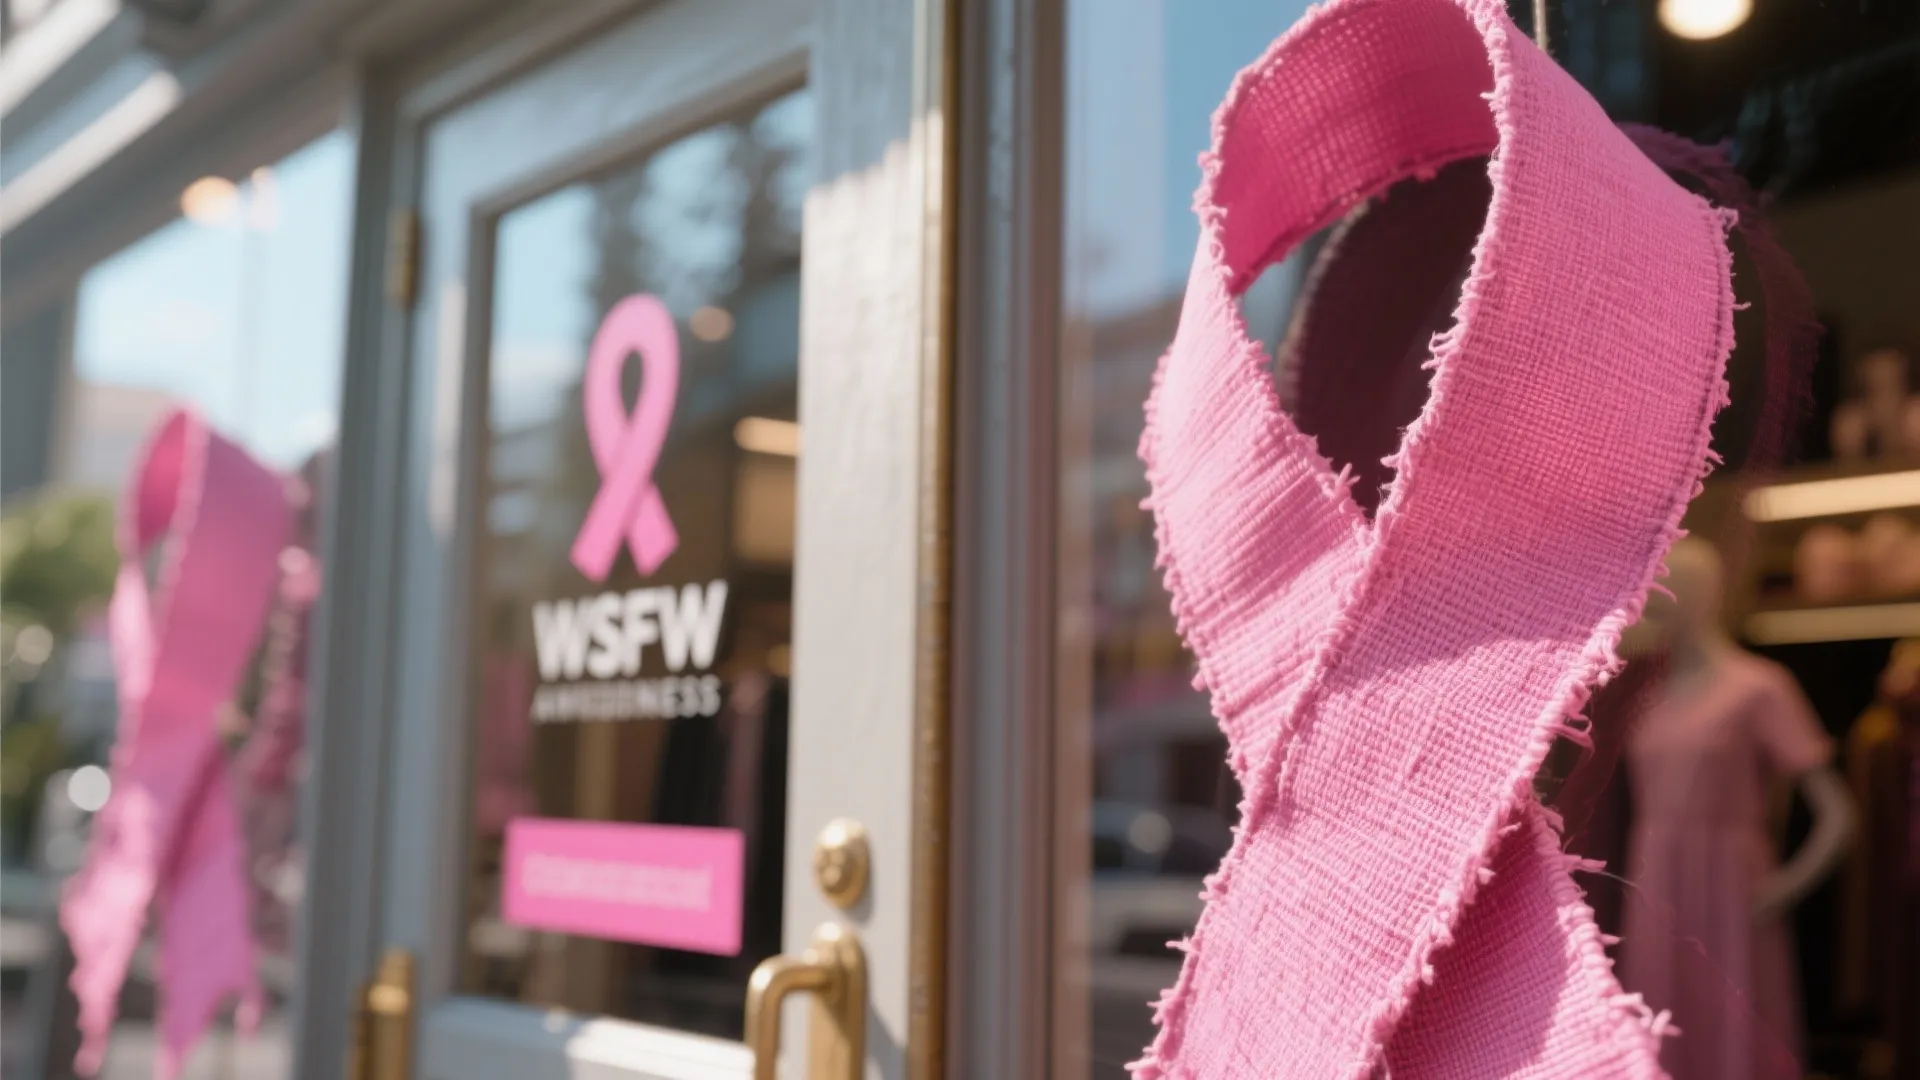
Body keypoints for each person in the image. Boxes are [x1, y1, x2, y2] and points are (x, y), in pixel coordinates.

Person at [1623, 537, 1857, 1080]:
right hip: (1655, 883)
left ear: (1702, 598)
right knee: (1659, 1020)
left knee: (1737, 1026)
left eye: (1663, 597)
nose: (1651, 609)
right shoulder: (1645, 694)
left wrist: (1784, 888)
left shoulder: (1759, 687)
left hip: (1730, 885)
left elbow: (1838, 813)